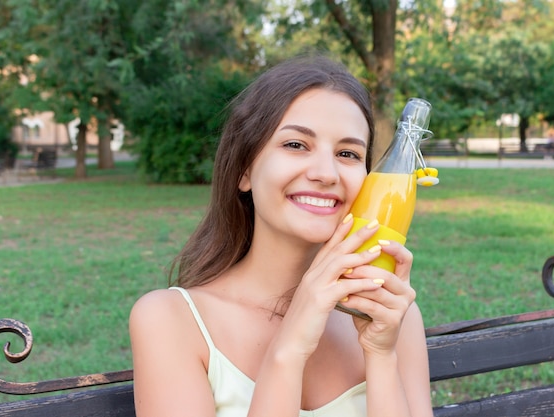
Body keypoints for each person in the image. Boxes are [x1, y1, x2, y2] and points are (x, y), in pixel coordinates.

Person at [129, 54, 433, 417]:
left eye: (348, 153)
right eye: (295, 145)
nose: (325, 173)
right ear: (244, 169)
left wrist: (381, 356)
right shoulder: (170, 320)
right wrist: (289, 348)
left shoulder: (393, 314)